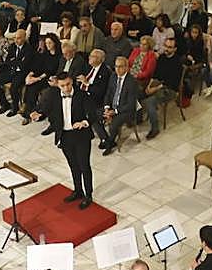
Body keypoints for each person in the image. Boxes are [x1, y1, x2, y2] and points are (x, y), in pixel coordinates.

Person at [34, 72, 98, 209]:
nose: (66, 88)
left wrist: (84, 122)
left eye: (68, 84)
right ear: (58, 85)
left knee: (84, 166)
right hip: (65, 136)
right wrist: (38, 115)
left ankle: (88, 195)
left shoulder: (82, 95)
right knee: (73, 165)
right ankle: (78, 190)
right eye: (62, 85)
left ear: (72, 82)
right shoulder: (54, 96)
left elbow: (93, 114)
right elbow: (45, 110)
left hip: (81, 136)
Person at [98, 55, 138, 155]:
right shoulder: (113, 76)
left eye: (120, 67)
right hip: (112, 107)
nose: (117, 69)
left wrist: (114, 111)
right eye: (116, 66)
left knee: (113, 126)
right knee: (95, 115)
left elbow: (131, 104)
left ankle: (109, 144)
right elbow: (108, 94)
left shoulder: (131, 81)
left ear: (126, 67)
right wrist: (107, 108)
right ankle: (106, 139)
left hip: (125, 110)